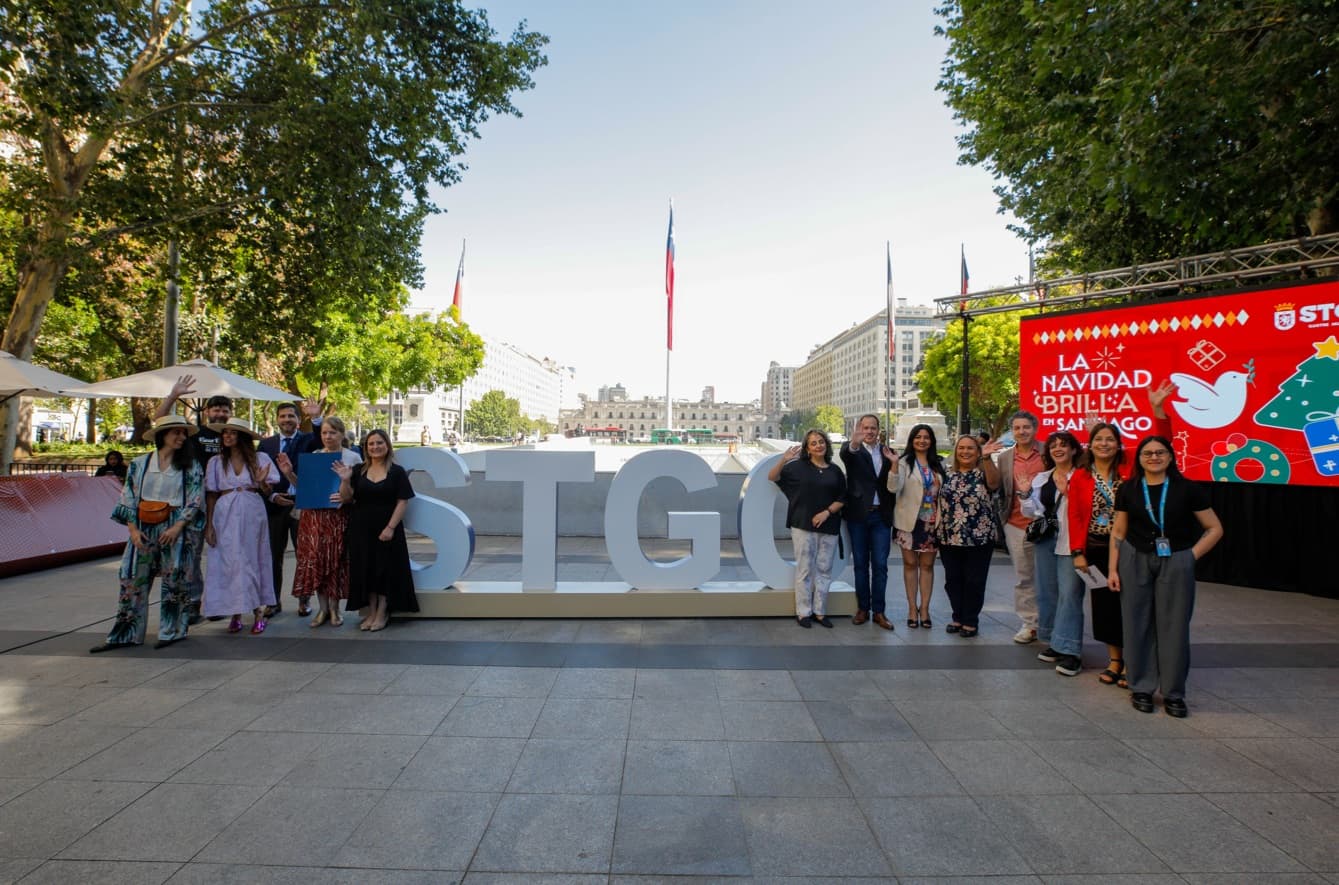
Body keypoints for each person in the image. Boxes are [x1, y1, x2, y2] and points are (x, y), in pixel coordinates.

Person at [1109, 436, 1223, 718]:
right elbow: (1119, 532)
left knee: (1173, 626)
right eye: (1147, 453)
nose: (1154, 457)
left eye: (1160, 452)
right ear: (1139, 459)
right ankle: (1141, 687)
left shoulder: (1188, 490)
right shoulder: (1129, 489)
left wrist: (1191, 557)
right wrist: (1113, 568)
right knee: (1136, 624)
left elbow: (1214, 528)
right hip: (1135, 559)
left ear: (1171, 457)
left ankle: (1173, 692)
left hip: (1176, 559)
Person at [90, 416, 205, 653]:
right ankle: (126, 632)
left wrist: (178, 526)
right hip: (143, 523)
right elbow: (128, 496)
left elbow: (195, 498)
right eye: (176, 432)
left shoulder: (190, 465)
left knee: (176, 578)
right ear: (162, 435)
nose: (181, 437)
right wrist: (132, 529)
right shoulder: (140, 464)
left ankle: (172, 630)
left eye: (184, 433)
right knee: (132, 578)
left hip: (175, 525)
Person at [154, 376, 231, 623]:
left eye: (224, 409)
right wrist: (173, 395)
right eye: (216, 409)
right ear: (207, 412)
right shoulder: (193, 434)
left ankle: (222, 603)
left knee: (227, 556)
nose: (220, 413)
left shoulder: (234, 436)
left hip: (227, 503)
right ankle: (194, 602)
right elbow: (160, 421)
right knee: (193, 555)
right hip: (196, 503)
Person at [277, 415, 361, 626]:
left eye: (333, 432)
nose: (328, 436)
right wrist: (289, 474)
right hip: (314, 517)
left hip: (338, 516)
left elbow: (357, 491)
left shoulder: (352, 457)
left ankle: (334, 610)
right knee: (317, 561)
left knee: (336, 561)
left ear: (342, 434)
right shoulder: (315, 455)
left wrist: (345, 493)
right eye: (324, 432)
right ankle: (322, 609)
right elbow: (305, 487)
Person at [336, 429, 419, 631]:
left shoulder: (397, 472)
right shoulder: (358, 470)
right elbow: (346, 498)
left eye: (379, 443)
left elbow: (402, 501)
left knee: (385, 571)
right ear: (366, 447)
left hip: (387, 528)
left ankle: (382, 612)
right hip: (361, 529)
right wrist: (345, 480)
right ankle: (372, 612)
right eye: (371, 444)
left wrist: (390, 527)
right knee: (366, 570)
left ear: (387, 445)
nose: (375, 447)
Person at [203, 418, 280, 635]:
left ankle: (258, 611)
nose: (227, 436)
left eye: (233, 433)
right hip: (224, 510)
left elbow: (267, 490)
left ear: (242, 437)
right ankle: (235, 612)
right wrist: (209, 525)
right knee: (228, 561)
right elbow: (211, 493)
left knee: (252, 559)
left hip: (251, 508)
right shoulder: (216, 462)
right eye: (225, 433)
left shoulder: (259, 458)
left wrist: (262, 481)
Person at [1023, 431, 1085, 676]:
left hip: (1072, 541)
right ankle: (1055, 642)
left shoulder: (1082, 476)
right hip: (1047, 540)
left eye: (1063, 445)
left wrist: (1069, 492)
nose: (1058, 449)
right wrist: (1025, 495)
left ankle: (1071, 651)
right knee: (1048, 592)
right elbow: (1032, 512)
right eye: (1053, 446)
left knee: (1070, 593)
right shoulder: (1042, 477)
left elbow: (1086, 507)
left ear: (1073, 450)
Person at [769, 429, 846, 628]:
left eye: (821, 441)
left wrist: (826, 512)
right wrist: (784, 459)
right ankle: (803, 613)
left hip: (829, 526)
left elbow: (842, 498)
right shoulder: (796, 468)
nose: (818, 445)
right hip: (803, 526)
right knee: (804, 570)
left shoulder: (835, 471)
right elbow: (772, 476)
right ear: (807, 448)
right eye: (813, 443)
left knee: (824, 570)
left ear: (826, 445)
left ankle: (820, 612)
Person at [936, 434, 1002, 638]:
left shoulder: (983, 472)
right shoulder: (947, 474)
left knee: (974, 580)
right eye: (961, 448)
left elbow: (994, 484)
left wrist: (987, 459)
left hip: (979, 537)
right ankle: (957, 616)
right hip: (949, 537)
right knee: (953, 579)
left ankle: (970, 620)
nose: (965, 452)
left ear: (978, 452)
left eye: (970, 448)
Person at [257, 401, 320, 616]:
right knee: (274, 556)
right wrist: (272, 495)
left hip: (301, 505)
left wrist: (316, 418)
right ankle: (273, 601)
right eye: (283, 416)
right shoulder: (266, 445)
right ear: (277, 419)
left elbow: (322, 439)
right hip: (275, 506)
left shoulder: (308, 440)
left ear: (298, 419)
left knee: (306, 555)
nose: (286, 420)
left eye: (291, 416)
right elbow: (259, 475)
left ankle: (304, 600)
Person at [839, 414, 896, 630]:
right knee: (861, 565)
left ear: (879, 430)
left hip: (881, 516)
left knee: (880, 565)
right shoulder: (852, 450)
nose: (869, 431)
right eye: (865, 428)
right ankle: (863, 608)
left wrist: (894, 464)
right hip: (858, 516)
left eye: (873, 428)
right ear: (859, 429)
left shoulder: (888, 453)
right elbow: (847, 453)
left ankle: (879, 611)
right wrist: (854, 441)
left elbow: (892, 485)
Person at [993, 410, 1045, 643]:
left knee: (1048, 576)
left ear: (1034, 428)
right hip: (1015, 523)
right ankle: (1030, 623)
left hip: (1046, 524)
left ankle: (1049, 621)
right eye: (1017, 428)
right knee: (1023, 576)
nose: (1021, 432)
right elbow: (998, 486)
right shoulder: (1005, 457)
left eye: (1026, 427)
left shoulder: (1048, 451)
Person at [888, 424, 946, 628]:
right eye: (918, 437)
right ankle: (912, 608)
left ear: (932, 441)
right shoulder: (904, 462)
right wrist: (894, 465)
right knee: (911, 565)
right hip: (908, 523)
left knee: (928, 566)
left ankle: (925, 609)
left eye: (926, 437)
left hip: (932, 522)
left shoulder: (939, 463)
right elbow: (893, 487)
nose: (922, 440)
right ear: (912, 440)